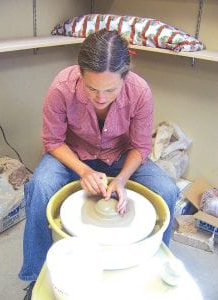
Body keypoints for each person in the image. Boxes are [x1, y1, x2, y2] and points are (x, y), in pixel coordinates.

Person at [19, 29, 179, 297]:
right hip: (74, 155)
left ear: (124, 78)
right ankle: (36, 276)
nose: (101, 97)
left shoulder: (139, 91)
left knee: (167, 189)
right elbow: (53, 140)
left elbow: (140, 147)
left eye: (110, 89)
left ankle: (155, 266)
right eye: (91, 88)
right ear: (80, 74)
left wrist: (121, 179)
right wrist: (83, 170)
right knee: (40, 185)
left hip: (120, 157)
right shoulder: (62, 86)